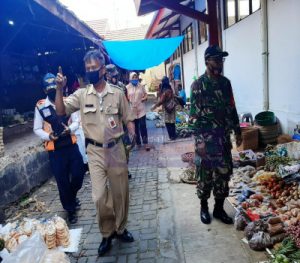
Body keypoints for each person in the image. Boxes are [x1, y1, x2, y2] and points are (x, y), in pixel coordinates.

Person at [54, 50, 136, 256]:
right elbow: (60, 111)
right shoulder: (82, 95)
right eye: (87, 68)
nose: (90, 71)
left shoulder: (117, 93)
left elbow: (128, 118)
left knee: (120, 194)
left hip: (116, 149)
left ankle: (120, 228)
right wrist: (59, 88)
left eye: (94, 68)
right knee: (99, 196)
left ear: (102, 68)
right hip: (95, 152)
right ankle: (107, 233)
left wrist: (132, 134)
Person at [189, 45, 242, 225]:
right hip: (205, 141)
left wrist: (238, 130)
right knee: (204, 176)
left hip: (223, 140)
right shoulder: (198, 85)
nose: (220, 63)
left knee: (223, 175)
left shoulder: (225, 83)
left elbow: (232, 108)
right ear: (207, 61)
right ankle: (204, 207)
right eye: (217, 59)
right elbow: (194, 117)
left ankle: (218, 209)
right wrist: (199, 142)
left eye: (222, 59)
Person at [33, 73, 85, 224]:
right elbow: (37, 128)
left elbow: (77, 120)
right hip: (55, 151)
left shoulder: (67, 101)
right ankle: (70, 210)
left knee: (78, 175)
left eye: (54, 88)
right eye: (49, 88)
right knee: (62, 182)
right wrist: (48, 136)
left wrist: (70, 129)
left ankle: (72, 196)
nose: (52, 90)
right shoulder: (41, 106)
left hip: (71, 146)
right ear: (44, 90)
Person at [106, 64, 132, 179]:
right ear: (106, 75)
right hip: (110, 125)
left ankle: (125, 169)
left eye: (115, 75)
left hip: (123, 124)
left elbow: (126, 104)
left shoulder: (122, 87)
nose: (114, 77)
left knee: (126, 147)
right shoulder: (103, 88)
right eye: (112, 75)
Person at [126, 72, 150, 151]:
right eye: (133, 77)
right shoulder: (127, 87)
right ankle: (138, 143)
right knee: (135, 127)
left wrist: (144, 98)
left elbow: (146, 94)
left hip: (141, 109)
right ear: (130, 78)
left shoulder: (141, 86)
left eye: (136, 77)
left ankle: (146, 143)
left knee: (143, 126)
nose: (135, 79)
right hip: (132, 110)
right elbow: (125, 98)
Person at [151, 76, 177, 141]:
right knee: (172, 122)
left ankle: (171, 136)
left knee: (167, 122)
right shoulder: (170, 88)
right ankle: (174, 136)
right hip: (172, 107)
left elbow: (161, 101)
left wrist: (154, 106)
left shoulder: (165, 90)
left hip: (167, 108)